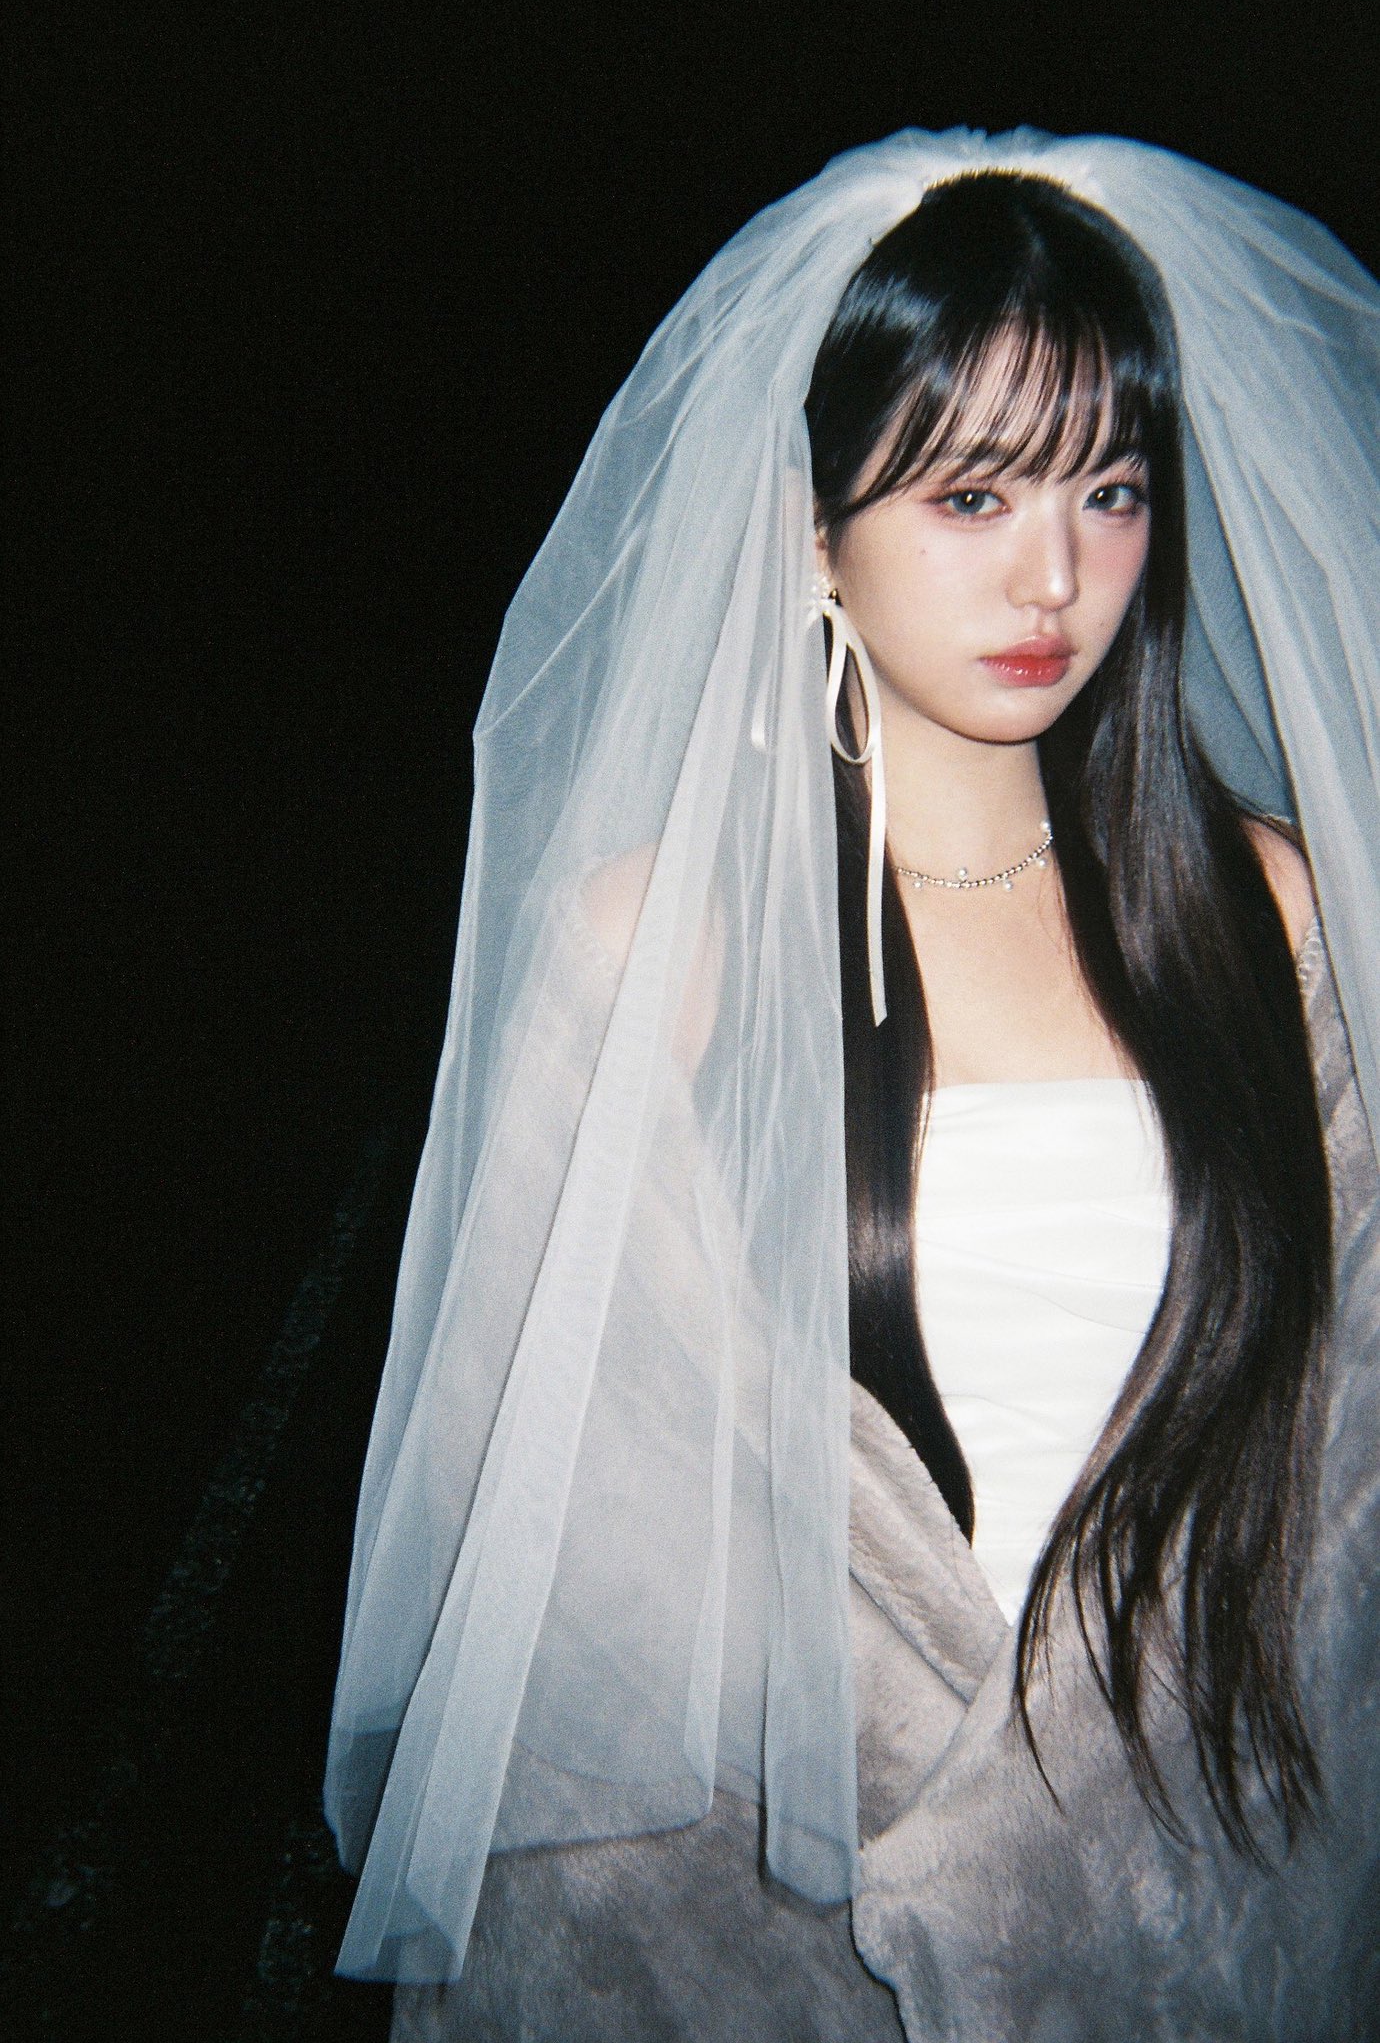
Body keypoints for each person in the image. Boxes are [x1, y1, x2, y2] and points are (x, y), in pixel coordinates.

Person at [324, 130, 1380, 2040]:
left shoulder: (1276, 913)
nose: (1056, 573)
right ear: (813, 527)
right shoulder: (663, 945)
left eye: (1112, 490)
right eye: (972, 493)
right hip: (785, 1913)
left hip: (1210, 1888)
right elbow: (556, 1547)